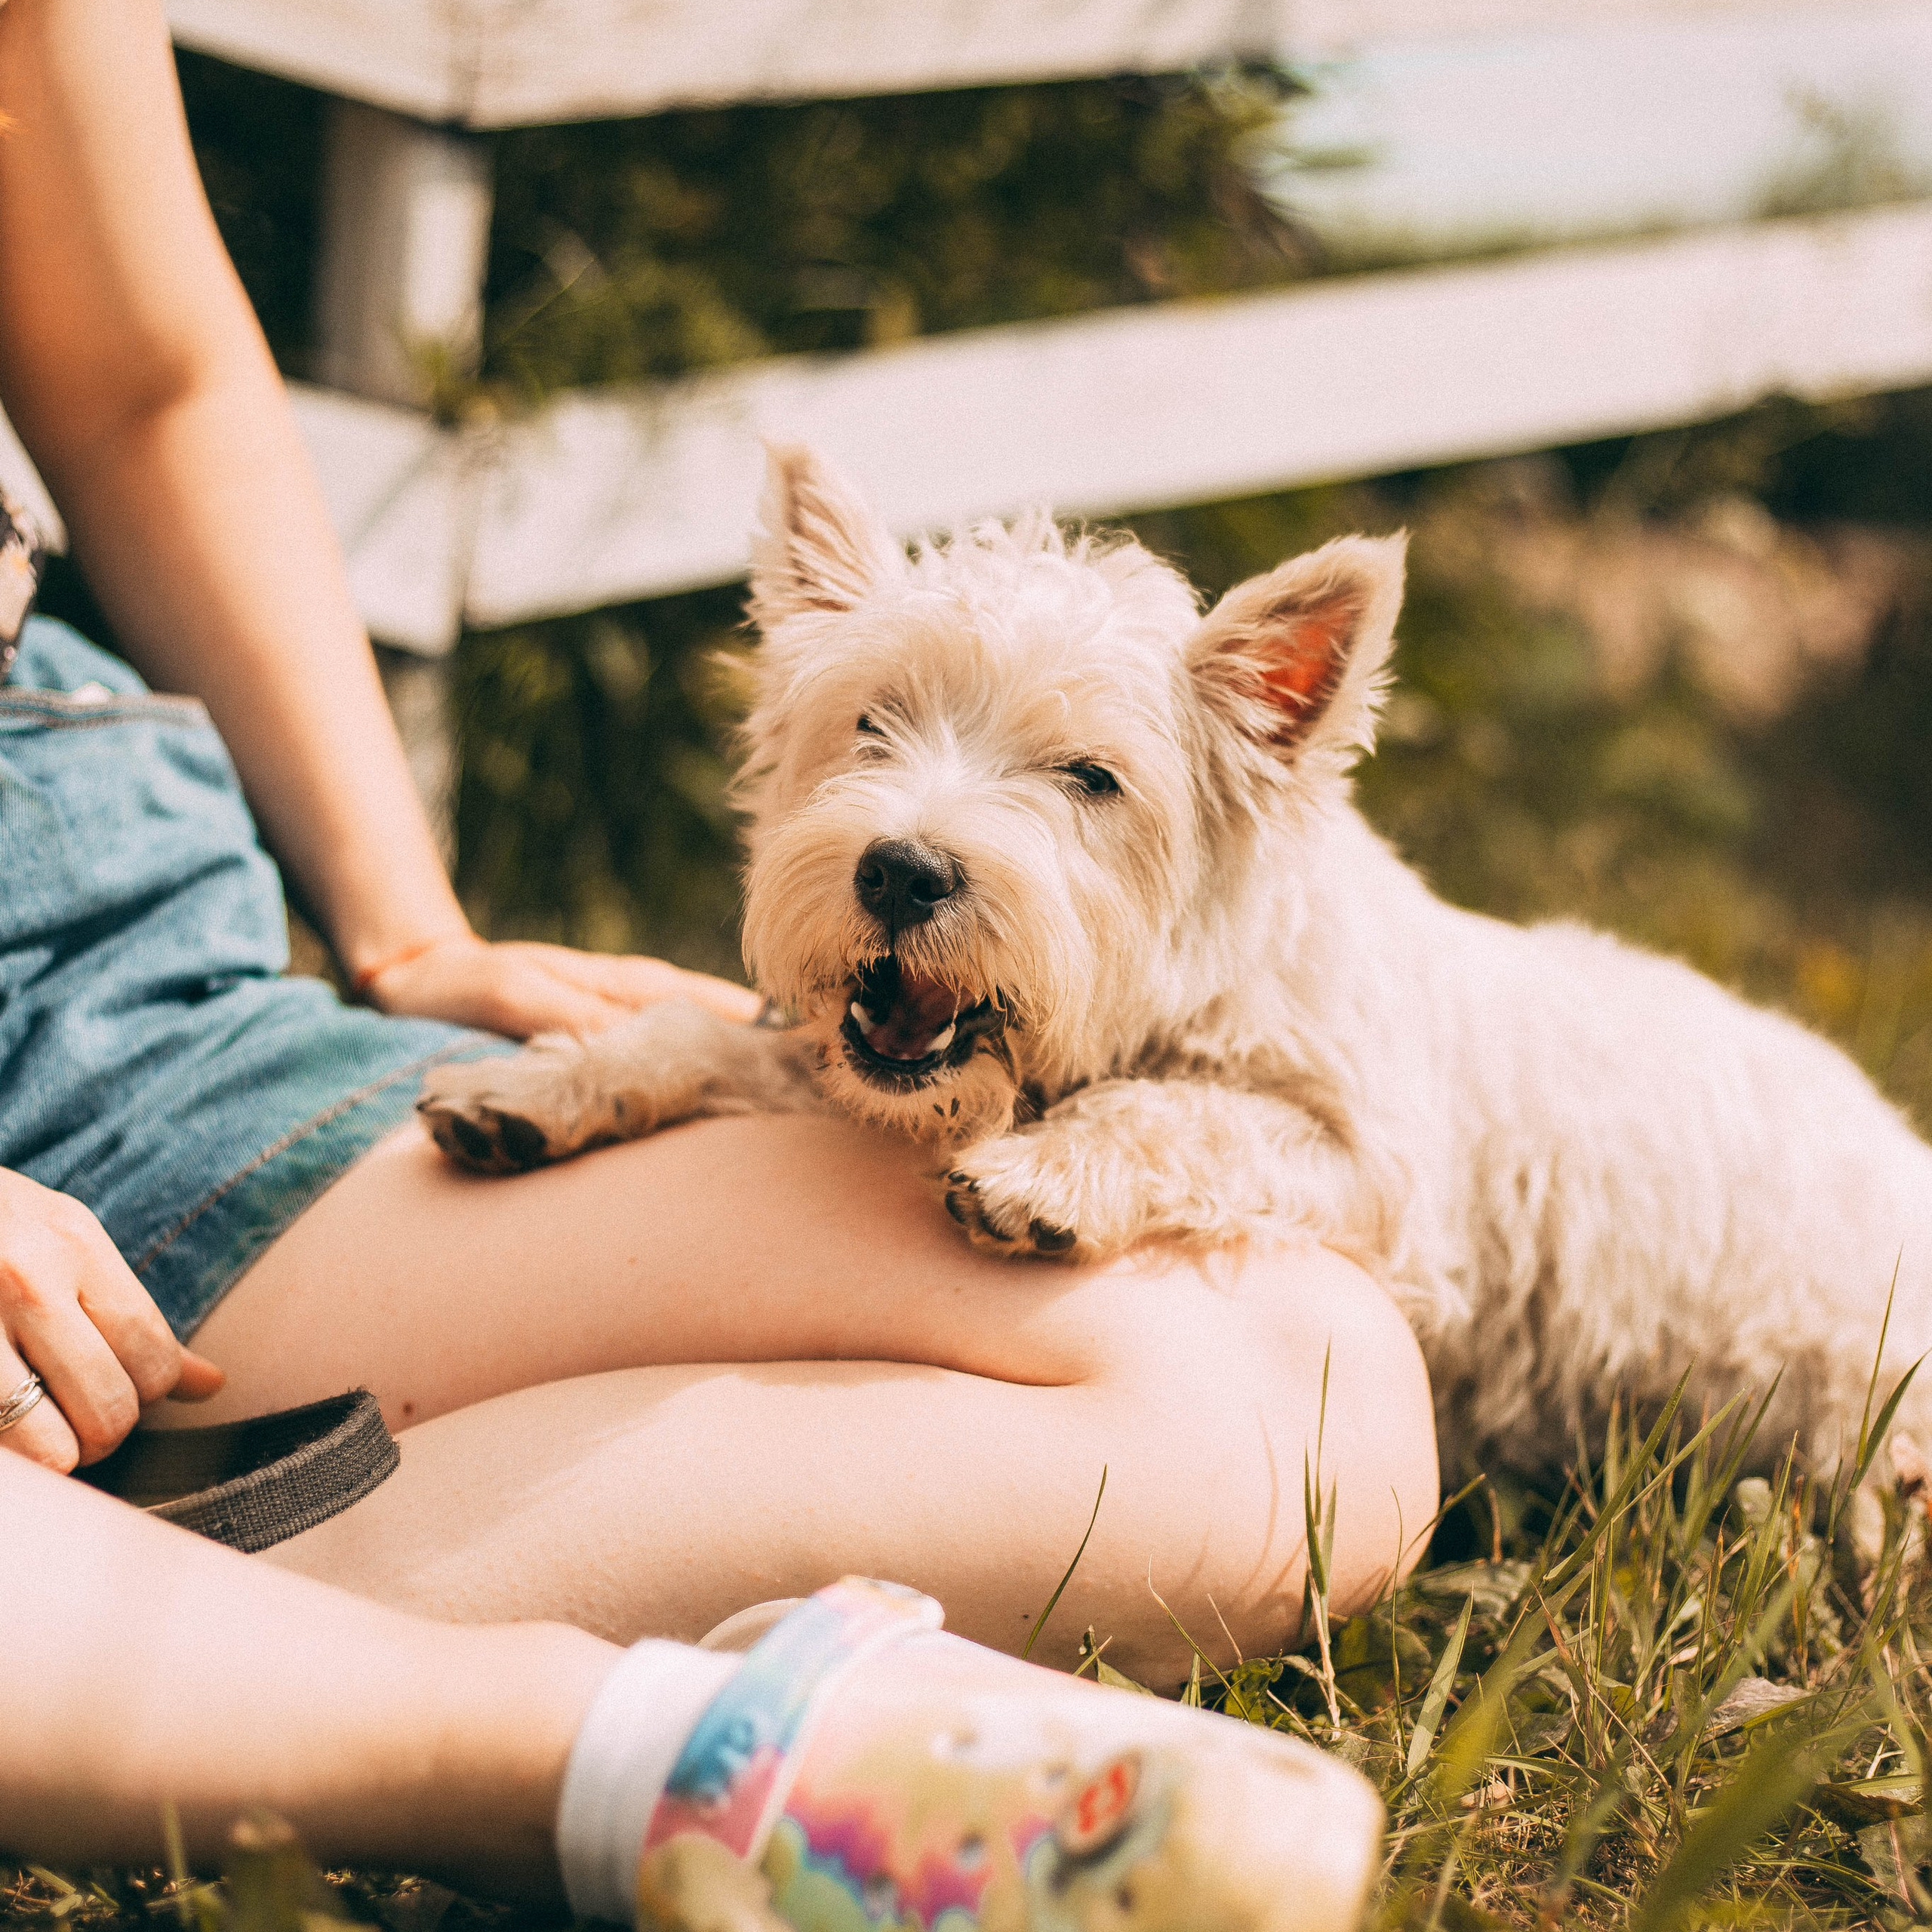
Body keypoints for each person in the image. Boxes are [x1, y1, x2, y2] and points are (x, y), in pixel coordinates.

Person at [0, 0, 1435, 1701]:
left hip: (143, 974)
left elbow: (147, 387)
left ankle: (167, 1633)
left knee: (1304, 1379)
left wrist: (401, 924)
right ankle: (280, 1695)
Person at [2, 1451, 1390, 1930]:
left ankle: (178, 1635)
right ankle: (621, 1753)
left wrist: (406, 933)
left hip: (200, 1081)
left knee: (1275, 1392)